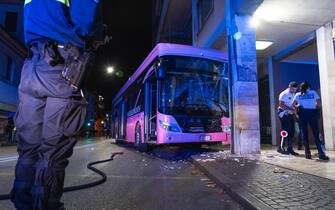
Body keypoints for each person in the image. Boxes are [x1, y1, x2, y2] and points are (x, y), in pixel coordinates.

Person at [11, 1, 105, 210]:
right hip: (61, 69)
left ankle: (23, 205)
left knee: (28, 149)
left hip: (31, 69)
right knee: (53, 153)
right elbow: (86, 24)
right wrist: (98, 35)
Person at [292, 82, 329, 160]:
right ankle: (321, 154)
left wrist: (298, 109)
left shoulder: (298, 94)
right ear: (308, 87)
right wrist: (312, 105)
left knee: (304, 134)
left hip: (302, 114)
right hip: (312, 113)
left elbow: (293, 105)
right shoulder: (313, 92)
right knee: (316, 133)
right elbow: (319, 104)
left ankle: (307, 154)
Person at [277, 81, 299, 155]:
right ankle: (281, 148)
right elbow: (281, 105)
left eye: (295, 89)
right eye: (292, 89)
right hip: (283, 113)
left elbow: (293, 105)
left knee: (292, 131)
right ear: (289, 86)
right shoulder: (284, 94)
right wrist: (291, 109)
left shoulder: (294, 94)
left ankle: (290, 148)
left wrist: (295, 110)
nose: (293, 90)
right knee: (285, 131)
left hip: (290, 114)